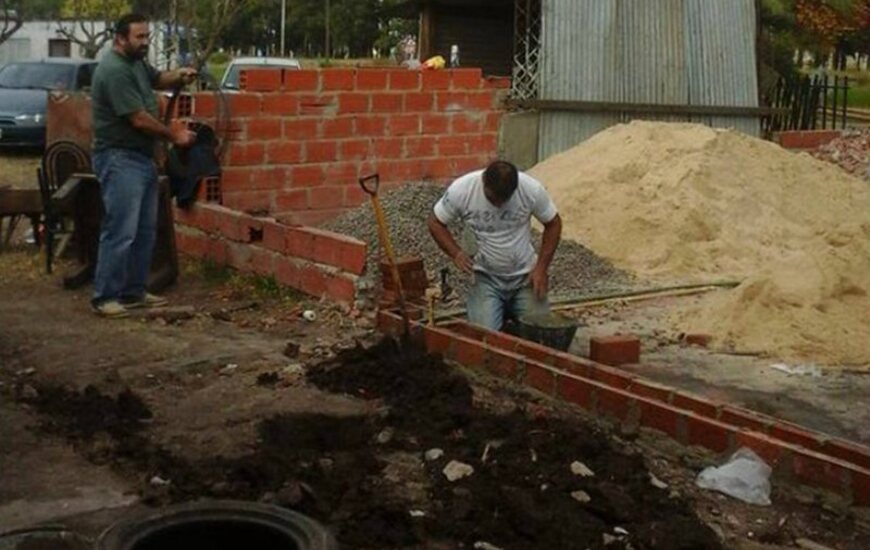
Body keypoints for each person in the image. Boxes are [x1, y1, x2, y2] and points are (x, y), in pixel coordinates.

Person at [90, 13, 197, 318]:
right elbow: (137, 118)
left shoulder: (135, 63)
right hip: (119, 157)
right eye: (139, 37)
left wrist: (179, 75)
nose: (144, 42)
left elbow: (156, 78)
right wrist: (173, 135)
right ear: (120, 38)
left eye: (147, 37)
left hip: (141, 158)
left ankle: (134, 291)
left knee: (144, 230)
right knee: (120, 230)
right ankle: (106, 296)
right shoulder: (113, 71)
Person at [428, 160, 562, 331]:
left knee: (542, 333)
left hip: (525, 278)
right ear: (484, 181)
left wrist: (541, 269)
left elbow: (554, 223)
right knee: (485, 339)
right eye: (493, 199)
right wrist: (455, 253)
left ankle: (513, 318)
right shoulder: (462, 190)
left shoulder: (531, 189)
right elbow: (435, 222)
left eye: (504, 200)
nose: (498, 205)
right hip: (486, 279)